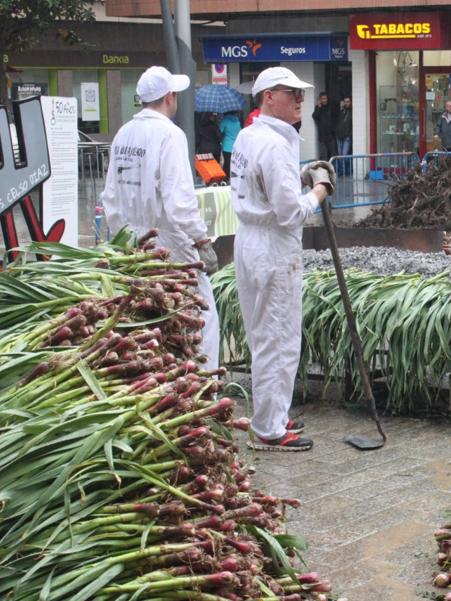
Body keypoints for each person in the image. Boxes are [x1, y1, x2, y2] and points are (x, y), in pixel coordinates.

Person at [229, 67, 334, 452]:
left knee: (263, 335)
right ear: (269, 96)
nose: (300, 101)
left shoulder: (248, 136)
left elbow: (265, 185)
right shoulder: (273, 144)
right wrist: (320, 189)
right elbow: (290, 211)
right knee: (279, 337)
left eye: (301, 94)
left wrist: (299, 175)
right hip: (273, 246)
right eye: (292, 94)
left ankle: (273, 412)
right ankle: (270, 429)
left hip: (251, 240)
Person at [101, 66, 220, 373]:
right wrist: (201, 240)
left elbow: (110, 196)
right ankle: (203, 383)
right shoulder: (170, 134)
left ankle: (159, 377)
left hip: (132, 242)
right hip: (169, 244)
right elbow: (179, 201)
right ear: (170, 97)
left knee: (148, 318)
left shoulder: (123, 134)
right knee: (199, 314)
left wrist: (123, 241)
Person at [312, 92, 337, 161]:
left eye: (325, 98)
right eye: (323, 99)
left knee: (333, 155)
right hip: (322, 136)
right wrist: (319, 108)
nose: (324, 100)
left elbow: (335, 117)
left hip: (331, 135)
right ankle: (325, 170)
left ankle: (333, 170)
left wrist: (333, 129)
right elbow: (315, 117)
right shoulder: (318, 108)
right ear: (320, 100)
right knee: (324, 156)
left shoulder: (331, 107)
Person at [219, 110, 241, 178]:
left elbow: (220, 130)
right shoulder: (237, 121)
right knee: (234, 163)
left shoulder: (225, 120)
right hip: (236, 145)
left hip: (227, 145)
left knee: (227, 163)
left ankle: (227, 177)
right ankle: (234, 176)